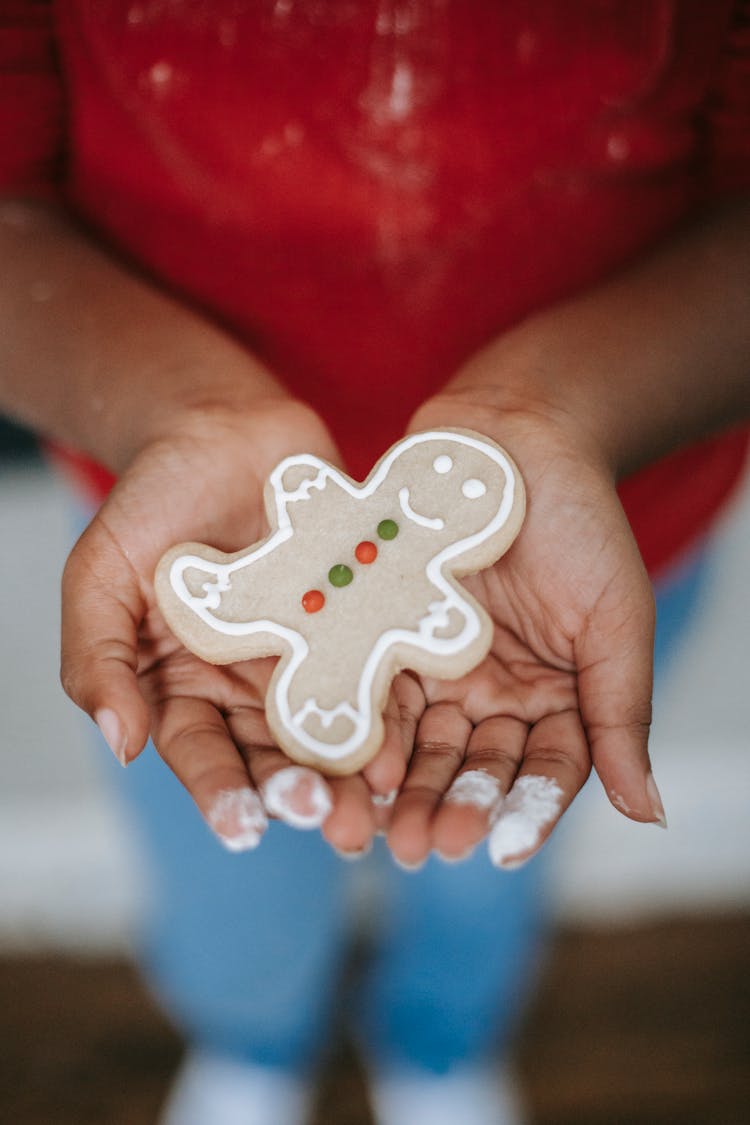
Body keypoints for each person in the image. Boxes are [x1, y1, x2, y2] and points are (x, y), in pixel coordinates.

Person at [1, 3, 748, 1122]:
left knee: (486, 864)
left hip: (592, 559)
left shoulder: (454, 610)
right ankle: (253, 1042)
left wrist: (561, 411)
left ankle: (441, 1043)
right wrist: (180, 413)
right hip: (184, 525)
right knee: (229, 880)